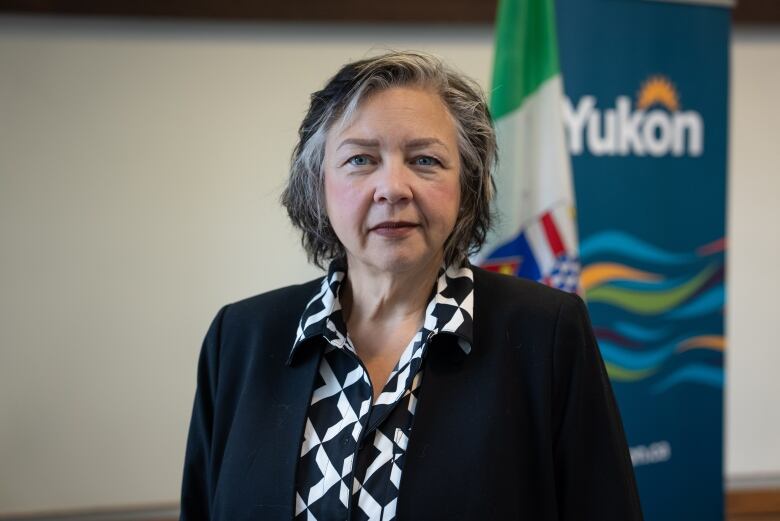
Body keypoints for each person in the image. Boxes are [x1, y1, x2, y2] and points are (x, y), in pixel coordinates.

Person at [180, 51, 643, 521]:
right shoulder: (239, 338)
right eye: (360, 159)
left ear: (466, 184)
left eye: (424, 160)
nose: (393, 188)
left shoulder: (547, 333)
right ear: (317, 183)